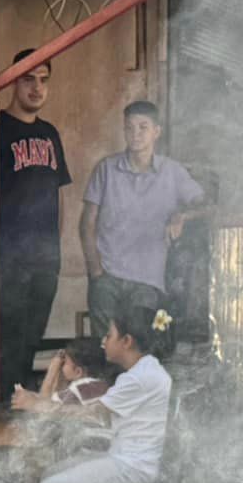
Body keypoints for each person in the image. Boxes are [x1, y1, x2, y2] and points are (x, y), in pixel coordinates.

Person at [23, 294, 171, 483]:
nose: (103, 342)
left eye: (109, 335)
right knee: (51, 474)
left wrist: (39, 405)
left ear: (126, 341)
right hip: (125, 457)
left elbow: (93, 413)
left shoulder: (139, 378)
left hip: (132, 465)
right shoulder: (146, 370)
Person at [79, 101, 204, 334]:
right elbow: (87, 223)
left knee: (139, 349)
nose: (135, 134)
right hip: (107, 277)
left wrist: (182, 215)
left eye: (143, 127)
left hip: (148, 281)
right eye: (129, 128)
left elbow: (205, 204)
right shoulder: (106, 169)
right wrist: (95, 271)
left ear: (157, 132)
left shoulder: (172, 172)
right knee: (103, 349)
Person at [0, 49, 71, 402]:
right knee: (8, 340)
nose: (37, 88)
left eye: (44, 79)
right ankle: (5, 409)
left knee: (31, 339)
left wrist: (56, 246)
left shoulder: (50, 133)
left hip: (46, 258)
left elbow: (61, 195)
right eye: (28, 79)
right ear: (13, 81)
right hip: (9, 257)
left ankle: (21, 407)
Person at [14, 336, 110, 409]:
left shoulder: (77, 389)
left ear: (78, 372)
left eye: (65, 363)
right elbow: (58, 397)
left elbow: (43, 407)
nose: (62, 365)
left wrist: (52, 370)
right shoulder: (102, 384)